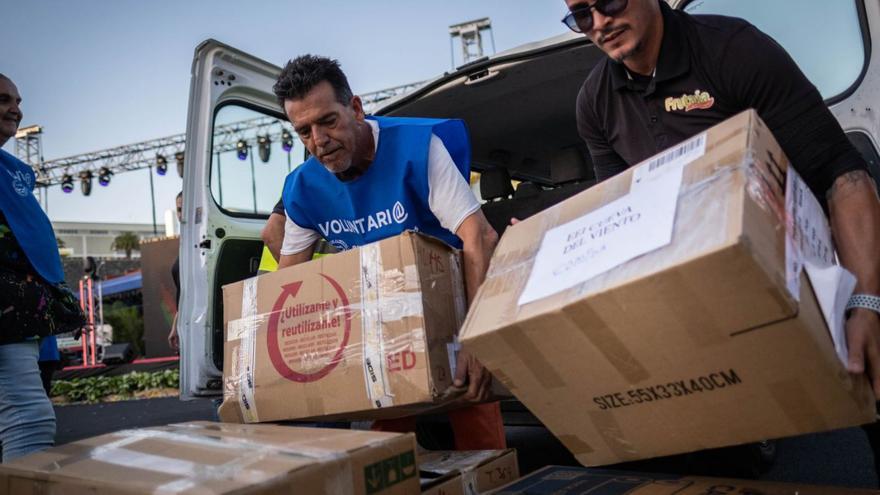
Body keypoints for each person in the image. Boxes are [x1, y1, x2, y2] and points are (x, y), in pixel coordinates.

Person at [565, 0, 880, 476]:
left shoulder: (732, 50)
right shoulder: (595, 104)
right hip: (707, 312)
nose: (599, 23)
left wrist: (867, 303)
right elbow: (622, 217)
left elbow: (843, 176)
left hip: (814, 280)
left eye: (608, 2)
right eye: (581, 15)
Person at [272, 55, 504, 450]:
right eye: (304, 132)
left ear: (357, 108)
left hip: (454, 307)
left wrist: (476, 338)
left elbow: (479, 236)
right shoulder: (303, 188)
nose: (319, 141)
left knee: (477, 425)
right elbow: (288, 284)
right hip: (383, 326)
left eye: (328, 121)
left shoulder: (416, 148)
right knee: (386, 450)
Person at [0, 73, 85, 461]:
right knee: (29, 421)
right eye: (3, 99)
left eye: (17, 101)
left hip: (30, 317)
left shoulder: (13, 171)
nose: (15, 109)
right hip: (9, 318)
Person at [168, 192, 182, 351]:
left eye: (185, 208)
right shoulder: (185, 243)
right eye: (178, 209)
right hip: (185, 323)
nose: (181, 214)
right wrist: (175, 326)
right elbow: (182, 294)